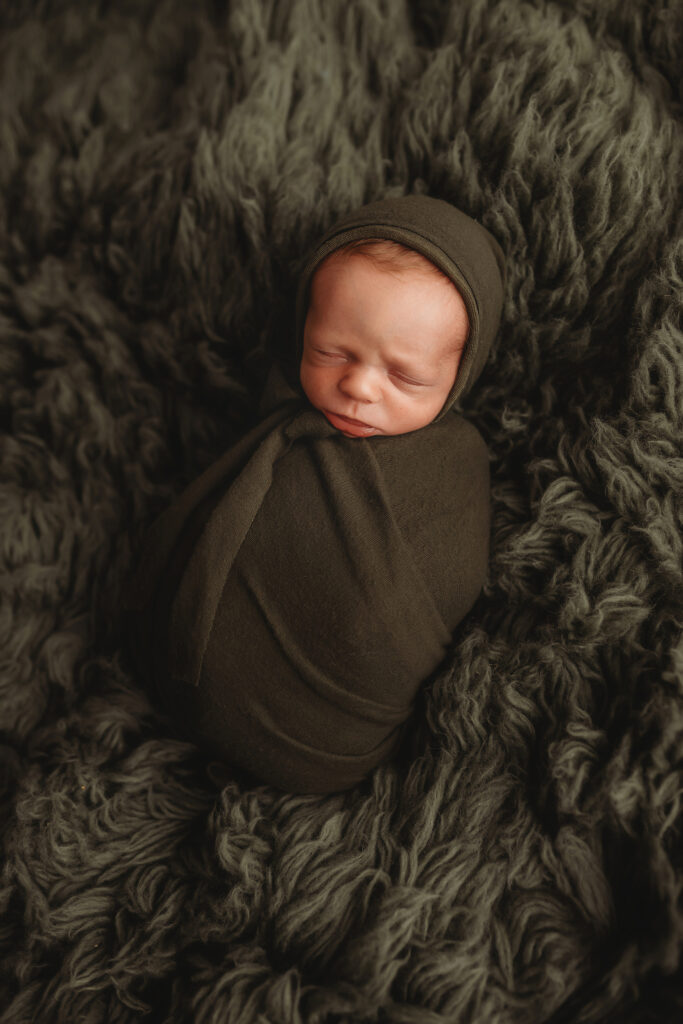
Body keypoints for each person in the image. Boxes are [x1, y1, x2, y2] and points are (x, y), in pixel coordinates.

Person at [122, 194, 505, 793]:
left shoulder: (451, 470)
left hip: (322, 750)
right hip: (178, 691)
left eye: (404, 376)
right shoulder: (278, 420)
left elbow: (436, 600)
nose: (357, 386)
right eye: (330, 352)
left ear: (460, 376)